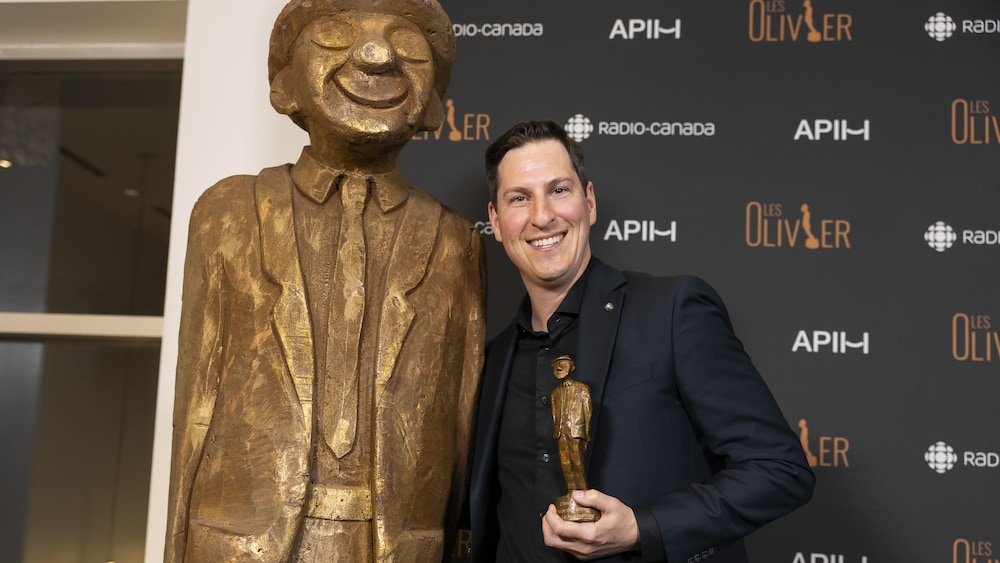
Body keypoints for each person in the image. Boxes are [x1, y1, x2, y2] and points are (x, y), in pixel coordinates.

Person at [165, 1, 484, 561]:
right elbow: (195, 402)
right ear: (285, 84)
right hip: (239, 544)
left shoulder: (457, 244)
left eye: (407, 44)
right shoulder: (227, 213)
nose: (376, 53)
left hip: (395, 546)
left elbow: (459, 431)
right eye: (337, 34)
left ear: (433, 105)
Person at [469, 120, 814, 562]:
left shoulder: (671, 311)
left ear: (589, 202)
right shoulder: (493, 359)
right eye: (520, 198)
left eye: (559, 190)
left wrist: (643, 527)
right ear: (496, 222)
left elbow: (780, 470)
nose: (541, 216)